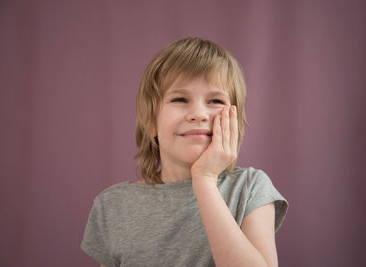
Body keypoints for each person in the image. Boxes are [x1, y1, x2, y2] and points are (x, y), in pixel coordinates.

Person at [81, 37, 288, 267]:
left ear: (235, 121)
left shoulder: (251, 188)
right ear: (151, 121)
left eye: (215, 100)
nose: (198, 114)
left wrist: (205, 179)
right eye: (180, 99)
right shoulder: (113, 205)